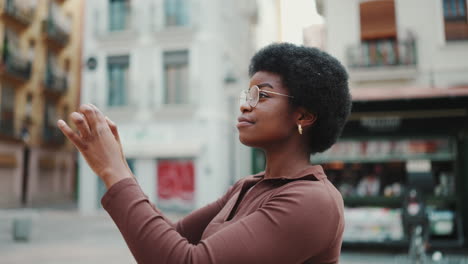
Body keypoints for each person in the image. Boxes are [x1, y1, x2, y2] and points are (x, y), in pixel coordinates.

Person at [58, 43, 351, 264]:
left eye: (261, 95)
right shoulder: (246, 187)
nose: (245, 106)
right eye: (245, 96)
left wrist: (114, 172)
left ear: (304, 116)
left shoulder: (313, 201)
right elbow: (170, 238)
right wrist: (119, 163)